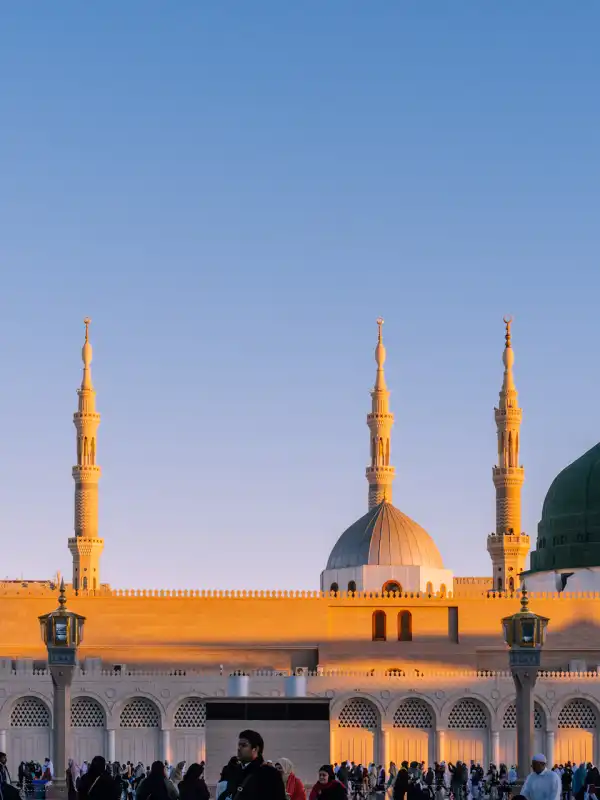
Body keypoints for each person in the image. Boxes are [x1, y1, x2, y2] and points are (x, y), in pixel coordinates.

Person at [231, 729, 286, 800]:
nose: (239, 748)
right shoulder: (235, 771)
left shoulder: (270, 774)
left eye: (244, 745)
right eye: (239, 745)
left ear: (255, 749)